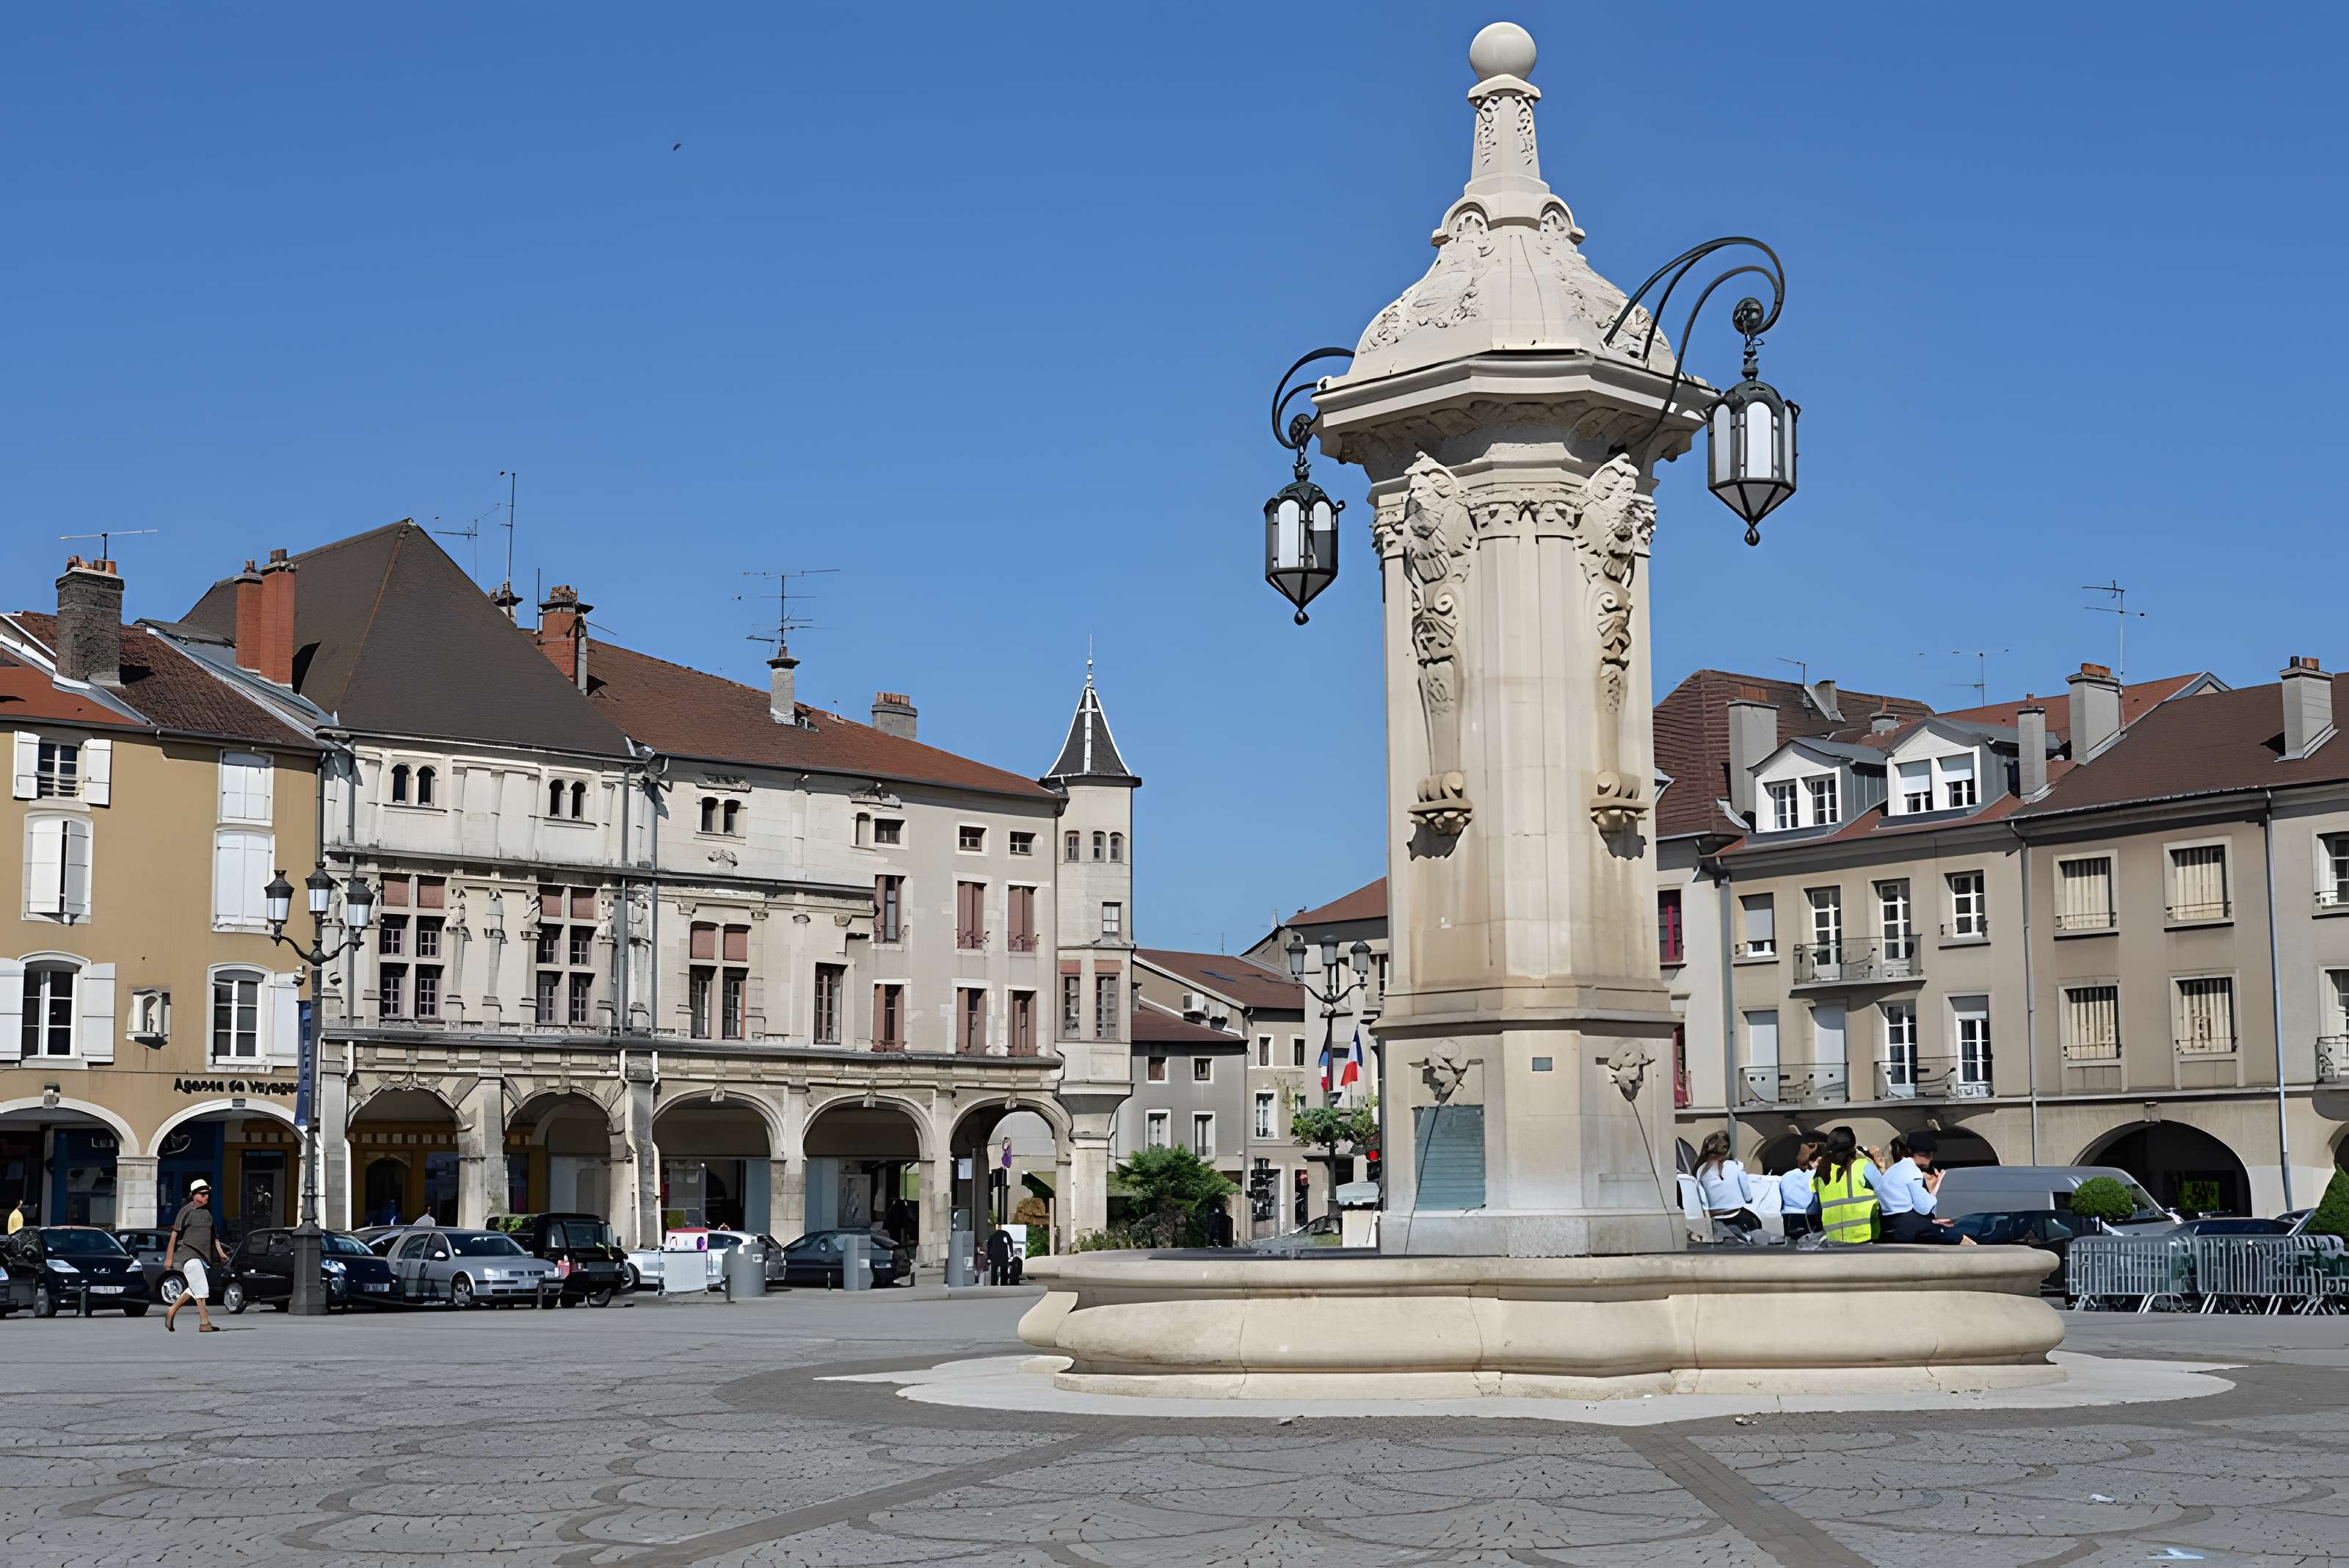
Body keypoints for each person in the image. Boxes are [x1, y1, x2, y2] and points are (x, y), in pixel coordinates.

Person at [1874, 1130, 1975, 1244]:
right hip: (1907, 1224)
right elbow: (1924, 1207)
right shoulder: (1913, 1171)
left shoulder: (1893, 1170)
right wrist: (1934, 1190)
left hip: (1888, 1225)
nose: (1930, 1158)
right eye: (1927, 1155)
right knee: (1953, 1235)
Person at [164, 1179, 230, 1333]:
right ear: (193, 1195)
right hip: (188, 1254)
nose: (206, 1197)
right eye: (202, 1194)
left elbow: (214, 1237)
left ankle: (172, 1311)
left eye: (207, 1194)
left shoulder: (208, 1214)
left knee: (194, 1288)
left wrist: (221, 1254)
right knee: (201, 1288)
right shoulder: (186, 1211)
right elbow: (174, 1235)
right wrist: (169, 1259)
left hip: (202, 1258)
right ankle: (204, 1323)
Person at [1811, 1128, 1880, 1244]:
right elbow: (1885, 1194)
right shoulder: (1863, 1166)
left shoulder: (1820, 1173)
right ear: (1853, 1145)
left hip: (1833, 1239)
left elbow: (1815, 1207)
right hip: (1866, 1236)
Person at [1692, 1132, 1760, 1239]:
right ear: (1727, 1151)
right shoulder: (1736, 1166)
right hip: (1736, 1215)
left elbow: (1703, 1201)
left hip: (1716, 1217)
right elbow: (1747, 1195)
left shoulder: (1700, 1171)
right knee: (1756, 1225)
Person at [1778, 1142, 1820, 1243]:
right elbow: (1816, 1200)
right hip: (1808, 1218)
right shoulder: (1814, 1175)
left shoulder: (1786, 1176)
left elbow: (1781, 1200)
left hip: (1789, 1218)